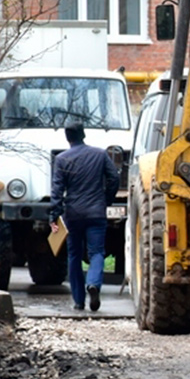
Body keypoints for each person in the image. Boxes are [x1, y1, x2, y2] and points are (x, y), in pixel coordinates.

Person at [50, 123, 119, 311]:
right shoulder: (100, 154)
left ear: (67, 138)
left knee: (74, 255)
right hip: (96, 212)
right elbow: (114, 178)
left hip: (73, 214)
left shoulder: (62, 159)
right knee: (96, 252)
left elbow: (57, 190)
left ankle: (78, 301)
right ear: (83, 135)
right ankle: (93, 284)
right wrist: (106, 200)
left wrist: (54, 215)